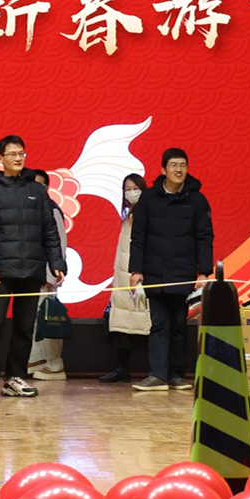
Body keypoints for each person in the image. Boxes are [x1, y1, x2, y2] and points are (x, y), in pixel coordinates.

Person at [0, 135, 65, 399]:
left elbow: (50, 230)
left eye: (22, 153)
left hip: (32, 269)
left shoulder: (38, 191)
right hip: (0, 271)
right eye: (12, 154)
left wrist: (56, 262)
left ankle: (15, 378)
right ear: (0, 158)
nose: (18, 158)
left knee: (24, 327)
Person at [129, 147, 213, 391]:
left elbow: (205, 237)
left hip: (183, 272)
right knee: (158, 324)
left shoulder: (197, 200)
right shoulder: (148, 198)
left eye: (183, 165)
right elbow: (138, 236)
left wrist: (204, 272)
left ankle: (176, 374)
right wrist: (136, 270)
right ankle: (157, 375)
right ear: (163, 170)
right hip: (154, 272)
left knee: (178, 325)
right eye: (174, 165)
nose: (179, 170)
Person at [99, 173, 152, 383]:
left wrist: (139, 271)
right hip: (123, 277)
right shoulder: (128, 215)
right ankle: (122, 368)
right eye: (127, 189)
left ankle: (155, 369)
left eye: (135, 188)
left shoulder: (147, 214)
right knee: (122, 323)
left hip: (137, 276)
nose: (131, 193)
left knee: (144, 321)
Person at [26, 168, 69, 381]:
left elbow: (59, 245)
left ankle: (54, 364)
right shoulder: (30, 209)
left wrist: (52, 276)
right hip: (31, 275)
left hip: (46, 277)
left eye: (41, 185)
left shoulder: (52, 210)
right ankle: (37, 361)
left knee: (48, 320)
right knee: (34, 321)